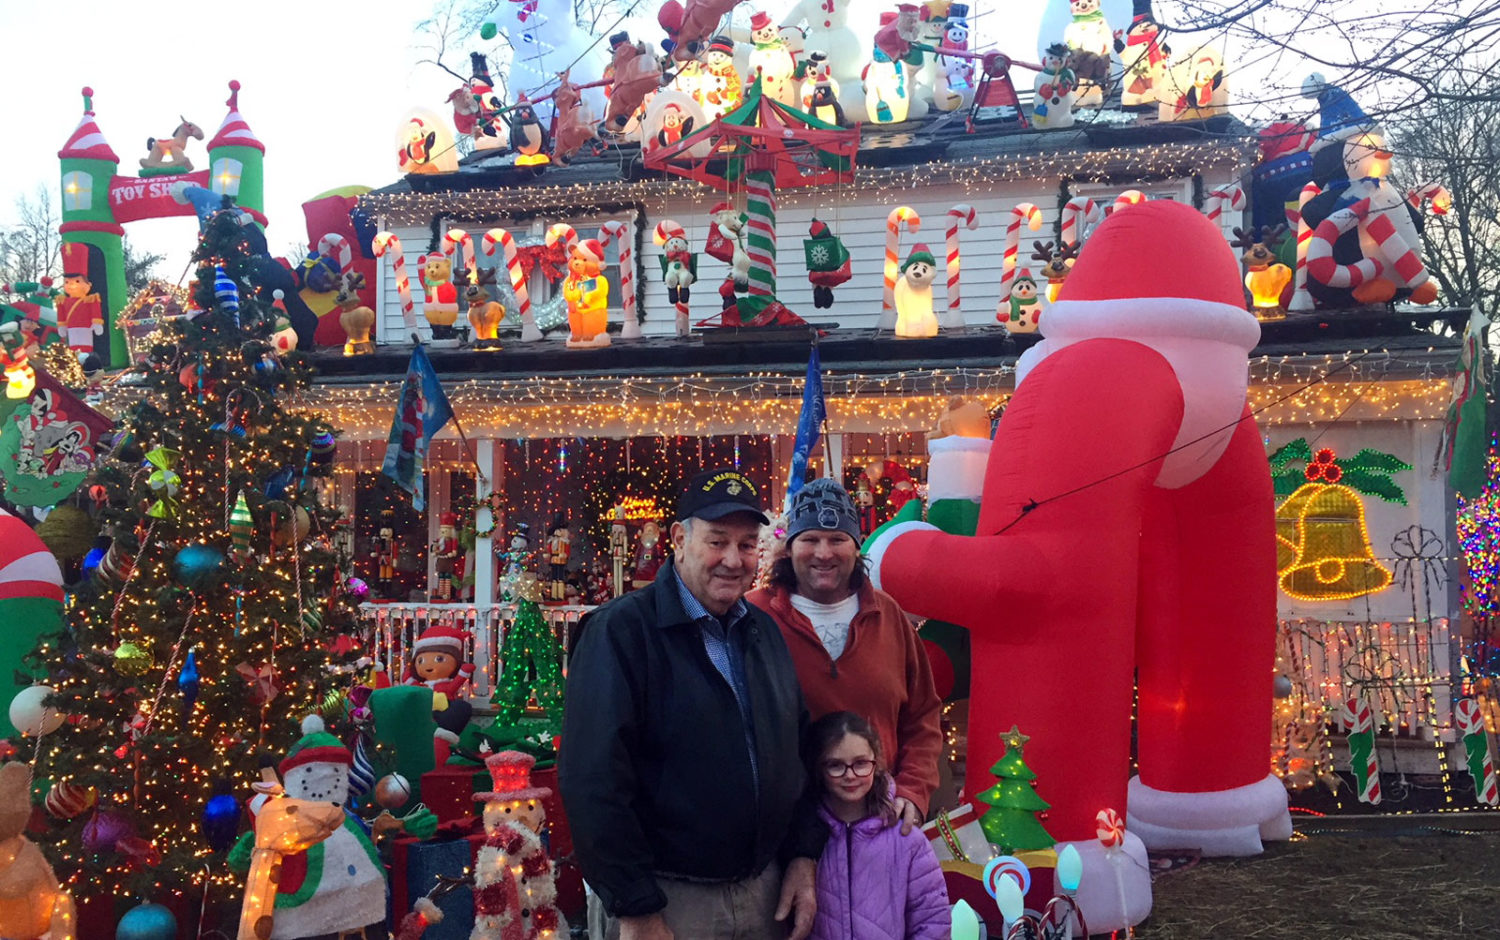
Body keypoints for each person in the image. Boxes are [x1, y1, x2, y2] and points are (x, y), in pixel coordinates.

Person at [560, 468, 823, 940]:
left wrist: (803, 856)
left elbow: (798, 753)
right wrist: (637, 907)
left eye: (746, 545)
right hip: (671, 903)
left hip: (765, 893)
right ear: (679, 539)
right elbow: (593, 780)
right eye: (717, 541)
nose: (733, 559)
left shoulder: (763, 634)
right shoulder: (621, 632)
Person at [748, 478, 943, 832]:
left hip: (878, 827)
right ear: (789, 548)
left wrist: (914, 791)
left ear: (856, 547)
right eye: (809, 539)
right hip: (783, 834)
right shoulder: (753, 618)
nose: (824, 553)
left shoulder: (888, 616)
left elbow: (923, 717)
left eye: (837, 539)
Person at [805, 711, 950, 940]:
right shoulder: (805, 841)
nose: (850, 775)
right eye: (835, 765)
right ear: (819, 769)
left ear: (876, 762)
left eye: (861, 763)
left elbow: (932, 921)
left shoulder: (907, 840)